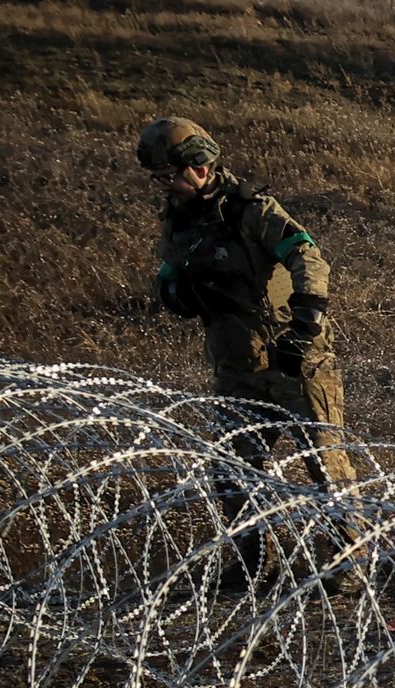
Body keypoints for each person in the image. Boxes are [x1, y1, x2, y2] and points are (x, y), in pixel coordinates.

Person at [137, 117, 357, 493]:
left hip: (293, 362)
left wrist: (305, 323)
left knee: (328, 477)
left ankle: (353, 549)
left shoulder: (253, 210)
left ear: (201, 168)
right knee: (234, 483)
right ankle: (253, 554)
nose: (164, 186)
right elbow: (166, 278)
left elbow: (307, 255)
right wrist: (183, 295)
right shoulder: (178, 219)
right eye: (157, 178)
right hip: (237, 368)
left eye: (169, 176)